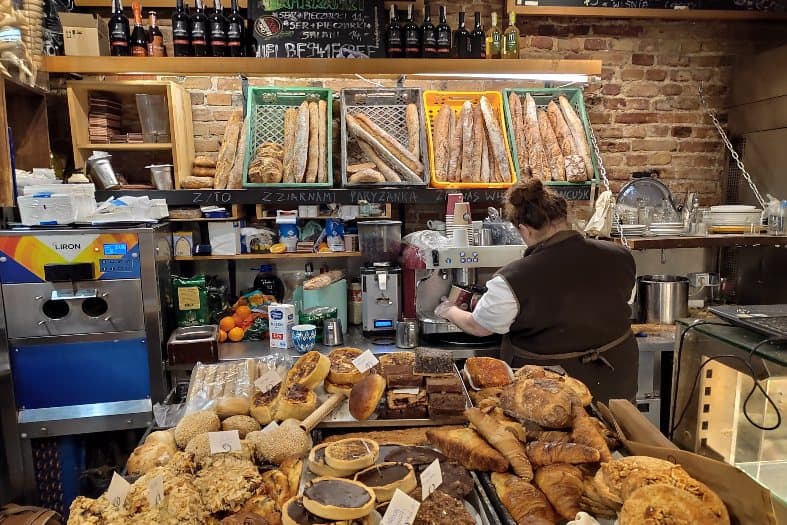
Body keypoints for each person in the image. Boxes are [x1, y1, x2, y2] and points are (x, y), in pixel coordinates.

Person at [435, 179, 637, 402]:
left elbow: (479, 326)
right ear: (565, 218)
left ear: (525, 230)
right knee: (615, 434)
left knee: (554, 437)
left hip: (549, 395)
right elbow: (620, 301)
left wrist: (449, 310)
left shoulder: (513, 278)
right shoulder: (620, 255)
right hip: (616, 380)